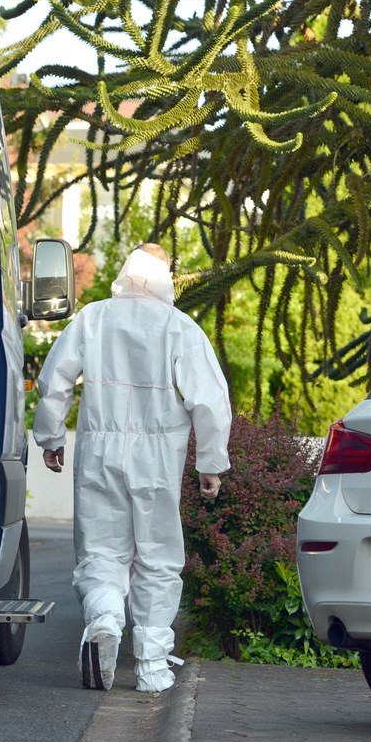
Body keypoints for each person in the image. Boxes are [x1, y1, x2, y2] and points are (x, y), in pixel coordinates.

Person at [32, 243, 231, 693]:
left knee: (101, 551)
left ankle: (105, 616)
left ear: (126, 272)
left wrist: (50, 436)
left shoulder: (93, 318)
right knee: (157, 556)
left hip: (99, 450)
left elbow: (55, 379)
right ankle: (152, 666)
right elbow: (210, 401)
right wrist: (211, 462)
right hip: (159, 456)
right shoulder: (180, 327)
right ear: (166, 277)